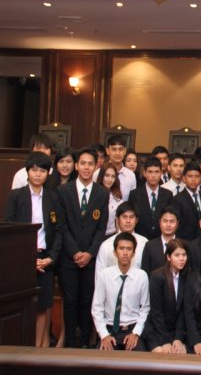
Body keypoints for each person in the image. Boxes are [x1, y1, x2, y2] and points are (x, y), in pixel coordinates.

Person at [5, 151, 62, 348]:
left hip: (45, 259)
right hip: (21, 259)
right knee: (20, 306)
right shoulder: (16, 196)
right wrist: (27, 259)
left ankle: (37, 350)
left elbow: (59, 230)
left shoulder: (53, 198)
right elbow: (10, 229)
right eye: (34, 170)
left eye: (42, 171)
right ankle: (19, 348)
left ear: (48, 173)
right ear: (27, 171)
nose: (38, 174)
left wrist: (51, 258)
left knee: (43, 306)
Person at [57, 147, 108, 348]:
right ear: (76, 166)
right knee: (70, 301)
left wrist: (89, 253)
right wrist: (75, 252)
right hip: (69, 257)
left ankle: (85, 342)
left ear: (96, 166)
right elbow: (61, 226)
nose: (87, 167)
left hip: (91, 258)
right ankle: (70, 342)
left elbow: (101, 228)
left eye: (90, 164)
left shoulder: (101, 193)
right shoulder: (63, 191)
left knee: (88, 300)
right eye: (83, 163)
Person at [92, 232, 150, 351]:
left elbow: (145, 308)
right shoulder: (104, 275)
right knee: (102, 358)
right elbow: (97, 308)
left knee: (140, 357)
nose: (125, 252)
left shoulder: (141, 276)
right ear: (115, 252)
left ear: (134, 253)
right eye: (121, 248)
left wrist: (136, 333)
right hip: (110, 329)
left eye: (129, 249)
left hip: (132, 329)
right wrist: (104, 335)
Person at [142, 239, 189, 353]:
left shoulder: (187, 276)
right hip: (157, 330)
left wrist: (178, 338)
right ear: (168, 257)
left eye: (184, 255)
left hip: (176, 331)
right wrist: (165, 340)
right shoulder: (157, 276)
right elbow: (156, 312)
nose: (181, 258)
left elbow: (183, 311)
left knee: (181, 353)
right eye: (177, 255)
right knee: (163, 353)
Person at [128, 156, 173, 241]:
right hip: (140, 239)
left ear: (161, 173)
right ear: (144, 173)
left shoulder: (168, 195)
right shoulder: (135, 194)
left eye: (156, 172)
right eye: (150, 172)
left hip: (161, 239)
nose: (153, 175)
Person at [95, 202, 148, 274]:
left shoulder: (144, 243)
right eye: (124, 217)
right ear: (117, 220)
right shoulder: (106, 245)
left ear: (136, 220)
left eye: (131, 217)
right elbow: (100, 274)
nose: (128, 221)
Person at [173, 161, 201, 241]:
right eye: (190, 176)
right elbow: (177, 226)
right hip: (186, 242)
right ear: (184, 178)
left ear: (200, 178)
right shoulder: (177, 199)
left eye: (197, 176)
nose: (193, 179)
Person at [141, 206, 180, 275]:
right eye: (165, 221)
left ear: (177, 223)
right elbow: (145, 272)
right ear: (159, 222)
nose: (168, 225)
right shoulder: (149, 246)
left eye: (172, 221)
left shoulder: (184, 245)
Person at [97, 135, 136, 202]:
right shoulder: (98, 173)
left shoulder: (131, 176)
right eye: (114, 149)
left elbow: (132, 201)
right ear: (107, 151)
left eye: (120, 149)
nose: (117, 153)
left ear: (125, 151)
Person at [97, 162, 124, 237]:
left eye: (113, 176)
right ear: (102, 176)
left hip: (111, 235)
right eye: (107, 175)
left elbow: (118, 223)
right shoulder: (94, 194)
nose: (110, 179)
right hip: (95, 236)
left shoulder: (117, 199)